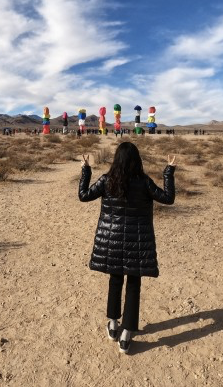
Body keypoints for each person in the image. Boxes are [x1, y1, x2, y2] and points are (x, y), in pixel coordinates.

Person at [78, 142, 176, 354]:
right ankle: (126, 334)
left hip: (112, 242)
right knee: (133, 285)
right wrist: (169, 171)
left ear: (117, 159)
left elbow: (84, 195)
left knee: (115, 280)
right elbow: (168, 198)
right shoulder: (144, 182)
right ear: (137, 160)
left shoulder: (107, 180)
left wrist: (86, 170)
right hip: (137, 245)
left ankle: (113, 325)